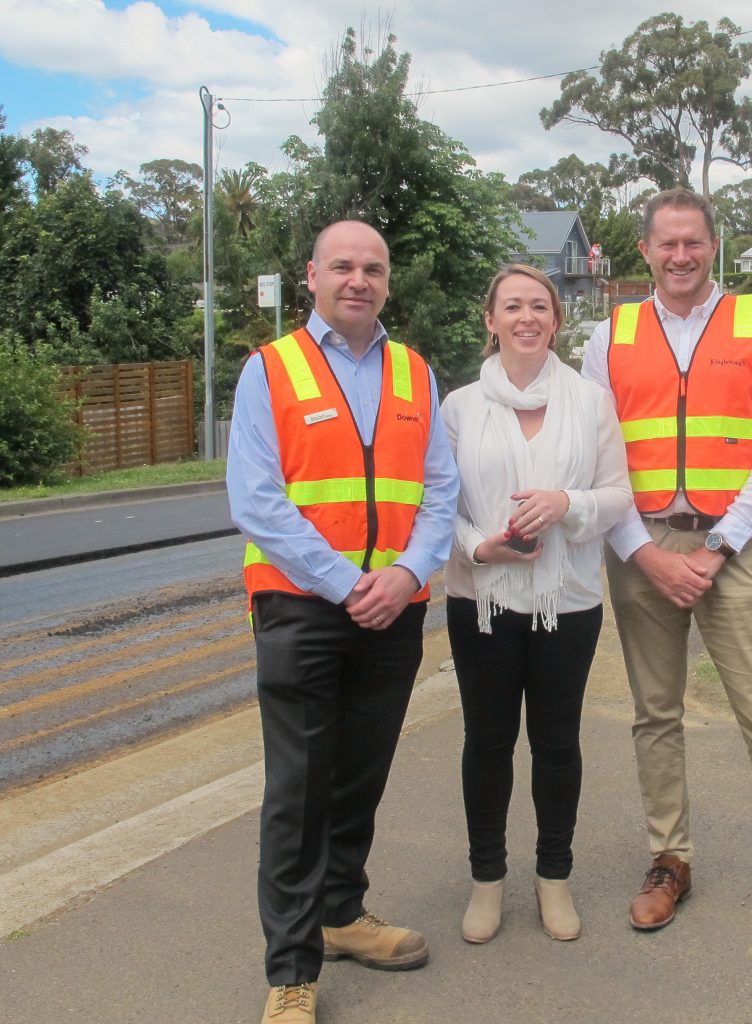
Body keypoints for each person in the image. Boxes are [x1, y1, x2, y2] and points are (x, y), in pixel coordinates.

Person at [581, 188, 752, 952]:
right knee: (654, 714)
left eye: (693, 242)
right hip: (642, 550)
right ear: (645, 250)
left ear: (712, 245)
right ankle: (669, 860)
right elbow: (598, 459)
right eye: (667, 243)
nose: (680, 256)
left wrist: (717, 549)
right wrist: (645, 553)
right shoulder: (609, 336)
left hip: (734, 550)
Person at [226, 220, 459, 1024]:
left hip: (393, 608)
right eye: (342, 266)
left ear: (387, 281)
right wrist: (345, 582)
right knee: (298, 790)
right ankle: (292, 971)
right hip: (299, 607)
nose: (358, 280)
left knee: (361, 772)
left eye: (373, 268)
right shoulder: (269, 368)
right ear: (312, 276)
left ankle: (340, 914)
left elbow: (440, 490)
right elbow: (256, 499)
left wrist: (406, 574)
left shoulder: (414, 371)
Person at [441, 264, 632, 945]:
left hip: (567, 602)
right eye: (512, 306)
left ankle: (554, 877)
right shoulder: (459, 407)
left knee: (556, 744)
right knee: (487, 743)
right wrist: (480, 547)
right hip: (482, 601)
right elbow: (437, 506)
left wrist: (565, 503)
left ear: (556, 320)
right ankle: (486, 880)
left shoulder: (591, 402)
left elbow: (619, 496)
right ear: (490, 320)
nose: (527, 318)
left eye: (539, 307)